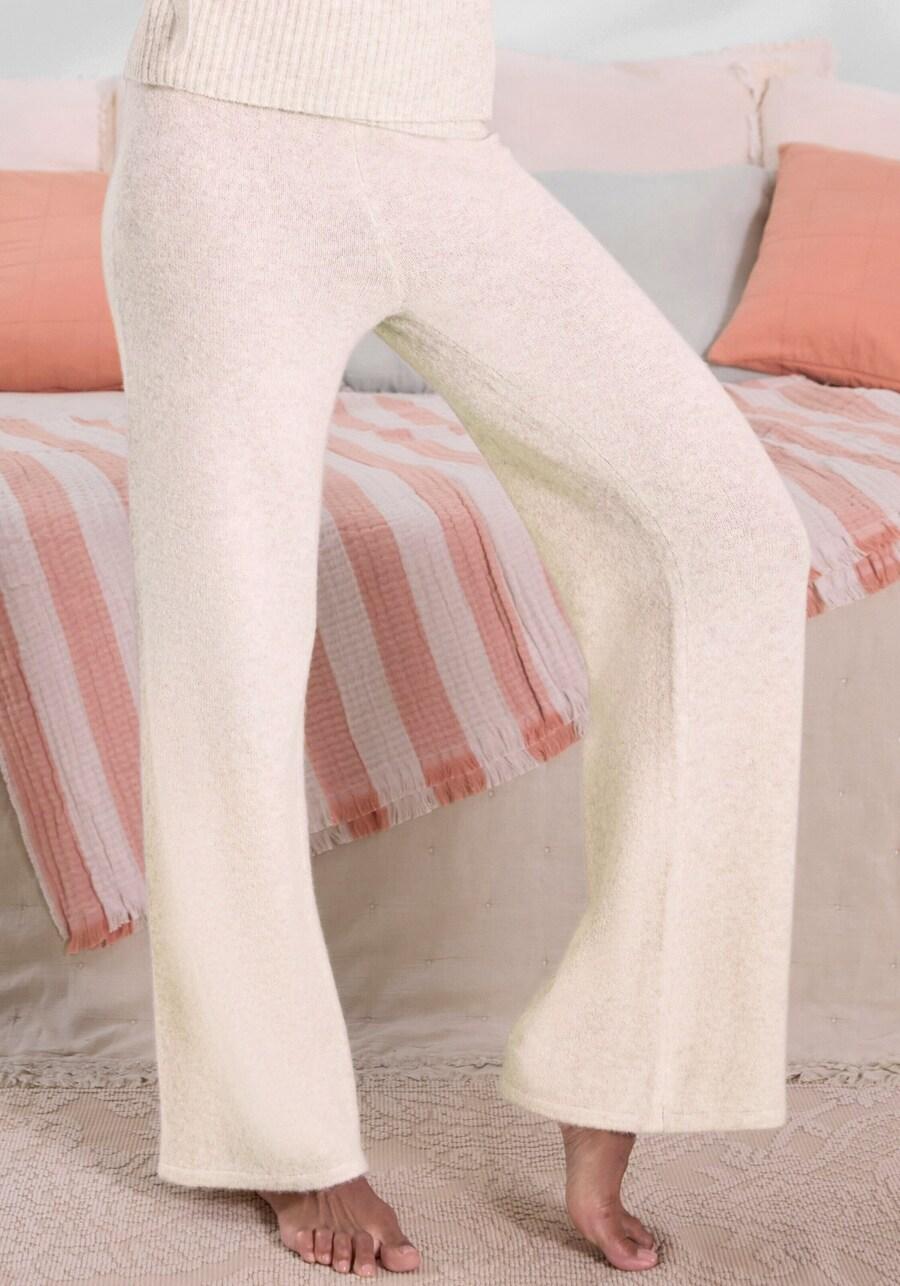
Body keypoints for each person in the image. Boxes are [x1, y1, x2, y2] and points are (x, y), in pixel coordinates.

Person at [101, 0, 811, 1276]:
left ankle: (625, 1048)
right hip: (222, 135)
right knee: (230, 655)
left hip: (439, 128)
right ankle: (283, 1133)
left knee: (725, 532)